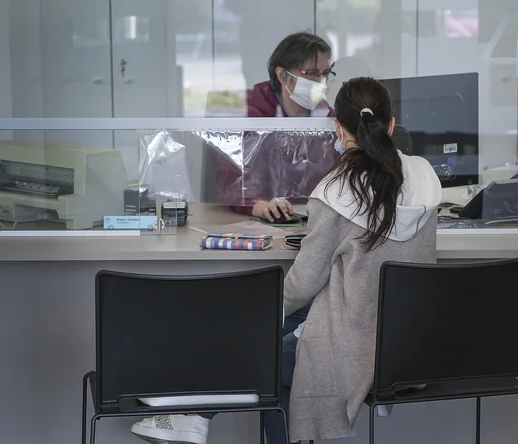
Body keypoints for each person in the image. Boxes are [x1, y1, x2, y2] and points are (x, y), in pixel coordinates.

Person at [129, 76, 442, 444]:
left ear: (337, 129)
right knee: (270, 330)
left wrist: (262, 313)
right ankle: (191, 409)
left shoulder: (337, 192)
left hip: (353, 351)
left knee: (263, 345)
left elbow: (304, 284)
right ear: (391, 126)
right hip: (406, 346)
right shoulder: (425, 176)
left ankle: (193, 406)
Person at [216, 31, 337, 222]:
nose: (320, 81)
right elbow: (232, 183)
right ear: (282, 75)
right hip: (264, 223)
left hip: (316, 222)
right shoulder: (251, 119)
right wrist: (261, 206)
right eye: (311, 73)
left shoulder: (330, 119)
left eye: (325, 74)